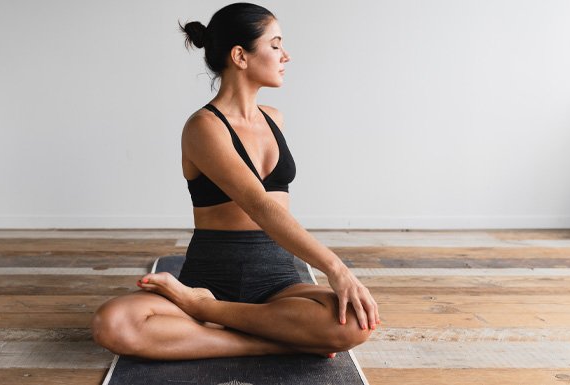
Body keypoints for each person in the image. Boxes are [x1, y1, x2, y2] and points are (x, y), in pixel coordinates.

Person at [91, 2, 379, 361]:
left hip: (277, 281)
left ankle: (211, 315)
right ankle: (268, 336)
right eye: (275, 45)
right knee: (113, 323)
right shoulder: (203, 127)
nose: (285, 55)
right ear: (240, 56)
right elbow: (258, 205)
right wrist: (336, 268)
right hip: (209, 279)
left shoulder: (275, 119)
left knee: (356, 322)